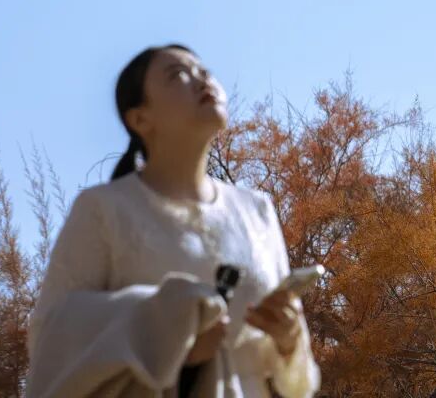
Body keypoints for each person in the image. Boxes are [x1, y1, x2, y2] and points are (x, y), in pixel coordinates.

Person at [25, 43, 321, 398]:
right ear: (140, 119)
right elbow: (50, 338)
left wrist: (289, 342)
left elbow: (300, 386)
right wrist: (171, 337)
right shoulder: (103, 209)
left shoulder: (257, 210)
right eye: (178, 74)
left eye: (204, 71)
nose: (203, 79)